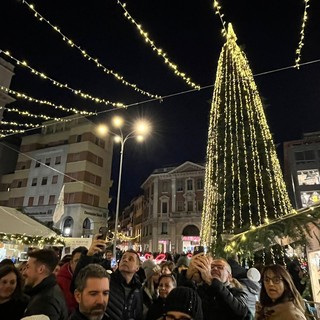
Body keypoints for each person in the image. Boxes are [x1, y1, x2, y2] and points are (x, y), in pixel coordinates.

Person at [72, 235, 143, 320]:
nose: (125, 260)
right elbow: (77, 284)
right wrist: (89, 255)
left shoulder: (138, 289)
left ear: (137, 267)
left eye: (130, 259)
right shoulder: (107, 281)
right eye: (123, 257)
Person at [184, 255, 249, 320]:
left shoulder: (238, 293)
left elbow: (241, 312)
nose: (215, 269)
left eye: (220, 267)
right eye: (211, 267)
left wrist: (211, 281)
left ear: (229, 276)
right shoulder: (201, 291)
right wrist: (187, 277)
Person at [22, 248, 68, 320]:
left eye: (28, 267)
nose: (24, 273)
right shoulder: (48, 291)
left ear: (41, 269)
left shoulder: (45, 302)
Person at [57, 246, 88, 315]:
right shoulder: (61, 280)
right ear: (71, 263)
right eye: (77, 261)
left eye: (83, 261)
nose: (80, 264)